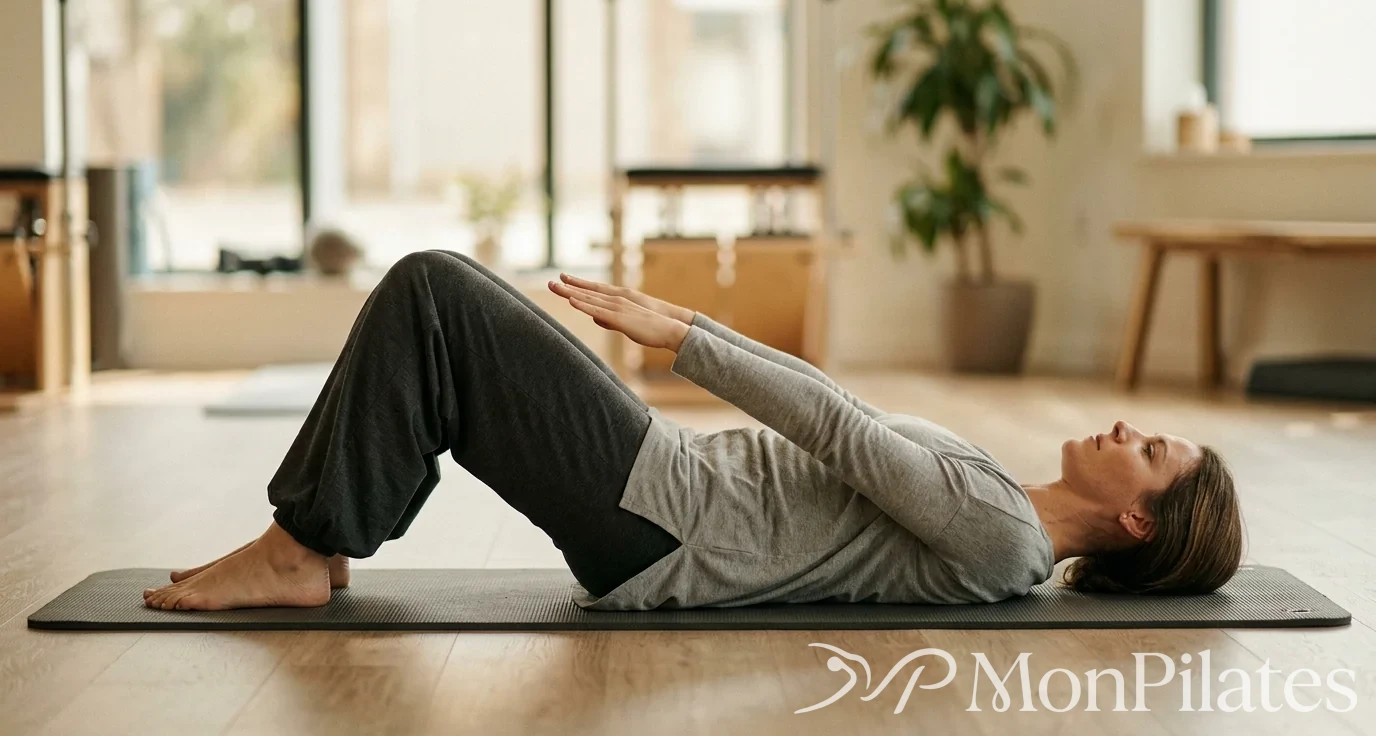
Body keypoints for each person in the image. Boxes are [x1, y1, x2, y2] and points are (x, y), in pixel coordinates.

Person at [143, 250, 1245, 612]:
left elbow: (838, 430)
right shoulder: (996, 508)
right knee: (439, 309)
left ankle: (300, 550)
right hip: (668, 489)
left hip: (667, 524)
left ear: (1138, 519)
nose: (1121, 426)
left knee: (433, 290)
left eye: (1146, 448)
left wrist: (684, 338)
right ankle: (314, 542)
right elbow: (842, 410)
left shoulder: (1004, 541)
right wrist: (690, 331)